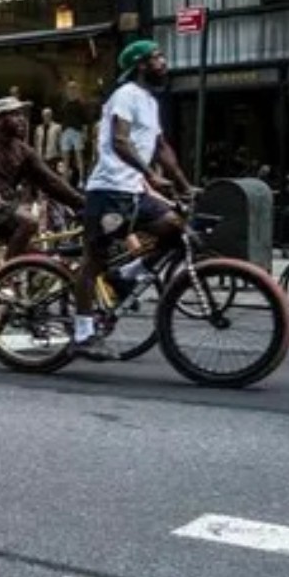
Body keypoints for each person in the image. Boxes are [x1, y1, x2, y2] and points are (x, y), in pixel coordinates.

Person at [74, 40, 194, 359]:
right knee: (94, 259)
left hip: (134, 191)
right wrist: (150, 174)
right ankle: (83, 333)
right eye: (157, 57)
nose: (163, 61)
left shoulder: (150, 102)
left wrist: (184, 185)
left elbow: (162, 148)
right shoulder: (125, 95)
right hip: (109, 190)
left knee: (175, 227)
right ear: (141, 64)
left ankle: (127, 274)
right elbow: (119, 140)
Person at [0, 96, 84, 260]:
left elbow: (50, 181)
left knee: (40, 259)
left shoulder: (24, 151)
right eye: (16, 115)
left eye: (23, 116)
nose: (22, 120)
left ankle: (28, 278)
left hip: (8, 208)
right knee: (29, 222)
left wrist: (81, 203)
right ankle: (5, 276)